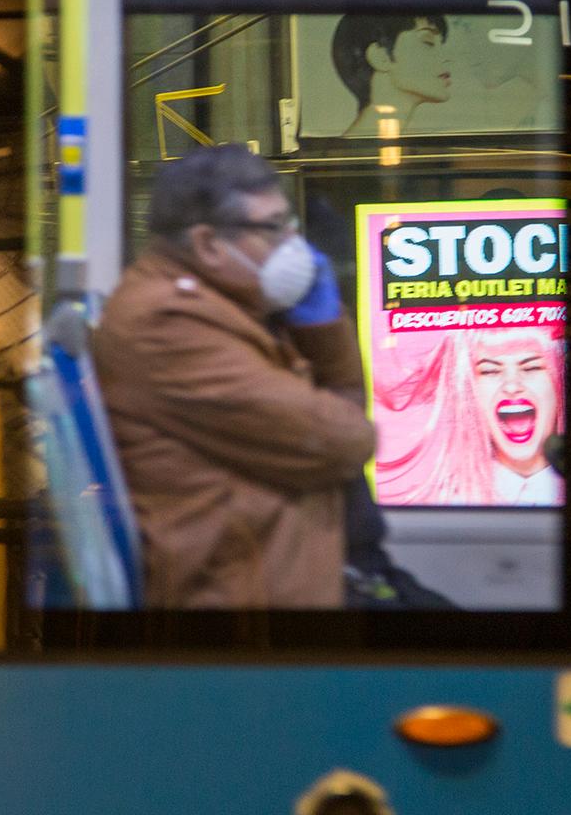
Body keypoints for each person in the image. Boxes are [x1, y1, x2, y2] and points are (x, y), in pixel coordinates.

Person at [93, 146, 375, 608]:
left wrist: (319, 326)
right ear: (207, 244)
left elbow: (338, 421)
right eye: (271, 228)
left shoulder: (228, 305)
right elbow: (341, 441)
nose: (291, 246)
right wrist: (322, 335)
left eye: (291, 225)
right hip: (241, 613)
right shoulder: (167, 325)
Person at [371, 325, 564, 507]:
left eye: (531, 367)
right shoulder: (444, 504)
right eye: (490, 370)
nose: (512, 386)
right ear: (468, 389)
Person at [330, 14, 451, 138]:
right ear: (381, 57)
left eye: (441, 45)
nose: (447, 58)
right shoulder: (347, 155)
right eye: (428, 42)